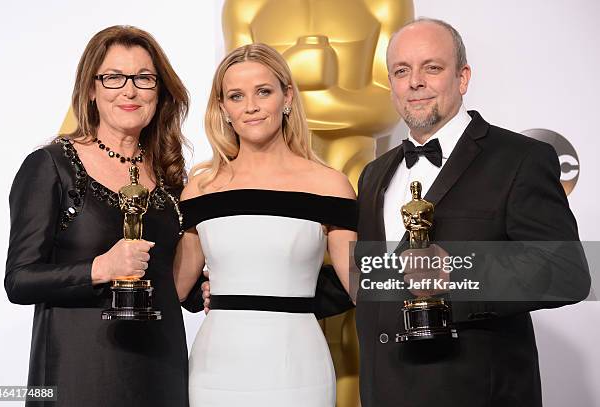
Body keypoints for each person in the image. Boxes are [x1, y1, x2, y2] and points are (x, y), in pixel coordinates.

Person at [353, 18, 590, 407]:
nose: (415, 81)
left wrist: (459, 272)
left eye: (432, 67)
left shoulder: (521, 159)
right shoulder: (374, 173)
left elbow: (567, 272)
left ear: (462, 78)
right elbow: (373, 277)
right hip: (385, 391)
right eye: (401, 70)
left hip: (478, 393)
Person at [5, 25, 190, 407]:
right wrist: (100, 268)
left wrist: (203, 287)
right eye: (113, 77)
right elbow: (19, 280)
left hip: (163, 371)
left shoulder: (172, 175)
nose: (130, 90)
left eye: (143, 77)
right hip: (77, 374)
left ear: (159, 90)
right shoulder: (51, 166)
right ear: (91, 89)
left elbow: (171, 280)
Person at [173, 43, 357, 406]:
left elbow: (359, 283)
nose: (251, 107)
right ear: (223, 108)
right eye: (236, 96)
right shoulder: (201, 187)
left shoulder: (328, 184)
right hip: (215, 370)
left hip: (298, 367)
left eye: (263, 92)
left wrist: (440, 275)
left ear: (287, 96)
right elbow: (177, 287)